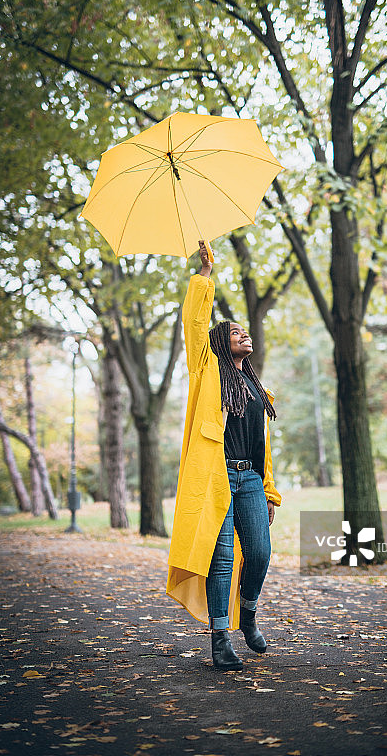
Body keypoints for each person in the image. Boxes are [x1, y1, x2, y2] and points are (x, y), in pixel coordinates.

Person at [166, 241, 281, 671]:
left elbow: (260, 446)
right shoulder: (207, 370)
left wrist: (269, 490)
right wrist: (205, 276)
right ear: (219, 343)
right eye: (235, 332)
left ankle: (247, 612)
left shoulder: (254, 387)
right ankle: (220, 639)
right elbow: (195, 325)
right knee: (222, 559)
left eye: (243, 331)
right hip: (216, 479)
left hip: (249, 479)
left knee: (260, 552)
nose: (243, 334)